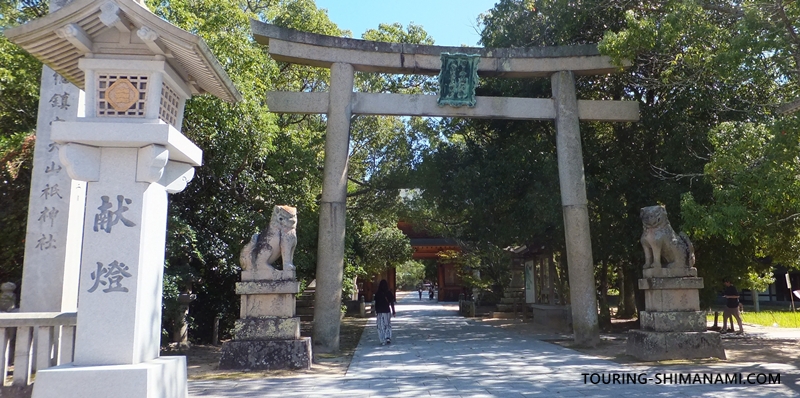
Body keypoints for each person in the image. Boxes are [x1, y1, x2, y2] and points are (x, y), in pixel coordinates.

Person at [374, 279, 396, 345]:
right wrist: (393, 311)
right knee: (387, 324)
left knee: (380, 326)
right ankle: (388, 337)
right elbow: (392, 303)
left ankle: (382, 339)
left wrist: (376, 311)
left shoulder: (377, 293)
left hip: (379, 311)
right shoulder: (388, 293)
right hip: (386, 311)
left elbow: (376, 303)